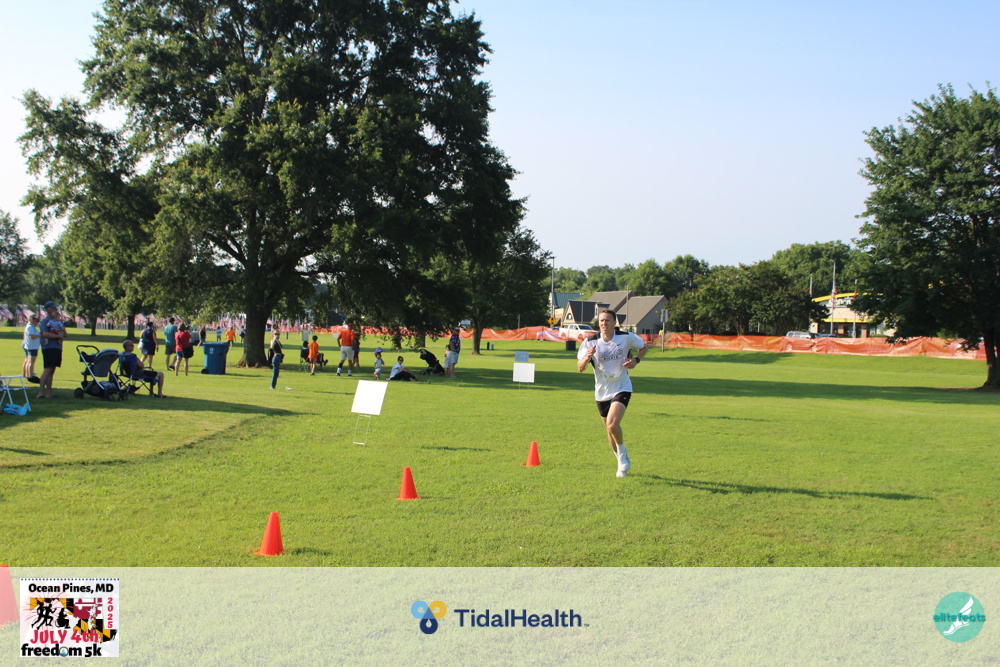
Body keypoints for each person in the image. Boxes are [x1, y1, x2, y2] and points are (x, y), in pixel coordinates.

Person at [576, 308, 647, 478]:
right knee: (610, 431)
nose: (604, 323)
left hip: (621, 386)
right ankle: (620, 460)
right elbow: (580, 368)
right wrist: (587, 358)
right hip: (601, 391)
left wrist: (636, 360)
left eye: (608, 320)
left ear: (614, 322)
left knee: (612, 425)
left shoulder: (626, 337)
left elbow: (643, 347)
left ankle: (623, 455)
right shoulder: (590, 341)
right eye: (601, 320)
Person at [37, 301, 66, 399]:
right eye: (53, 308)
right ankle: (40, 392)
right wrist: (58, 336)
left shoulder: (59, 321)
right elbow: (45, 333)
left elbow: (63, 332)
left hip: (57, 347)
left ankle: (49, 393)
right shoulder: (45, 321)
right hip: (49, 347)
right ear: (48, 309)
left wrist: (62, 334)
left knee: (52, 370)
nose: (55, 309)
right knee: (48, 369)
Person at [21, 313, 41, 383]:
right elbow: (32, 336)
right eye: (36, 321)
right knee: (31, 362)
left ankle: (26, 374)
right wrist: (40, 335)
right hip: (32, 346)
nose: (37, 323)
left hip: (30, 345)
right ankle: (30, 375)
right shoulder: (30, 327)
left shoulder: (31, 327)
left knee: (27, 361)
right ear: (31, 320)